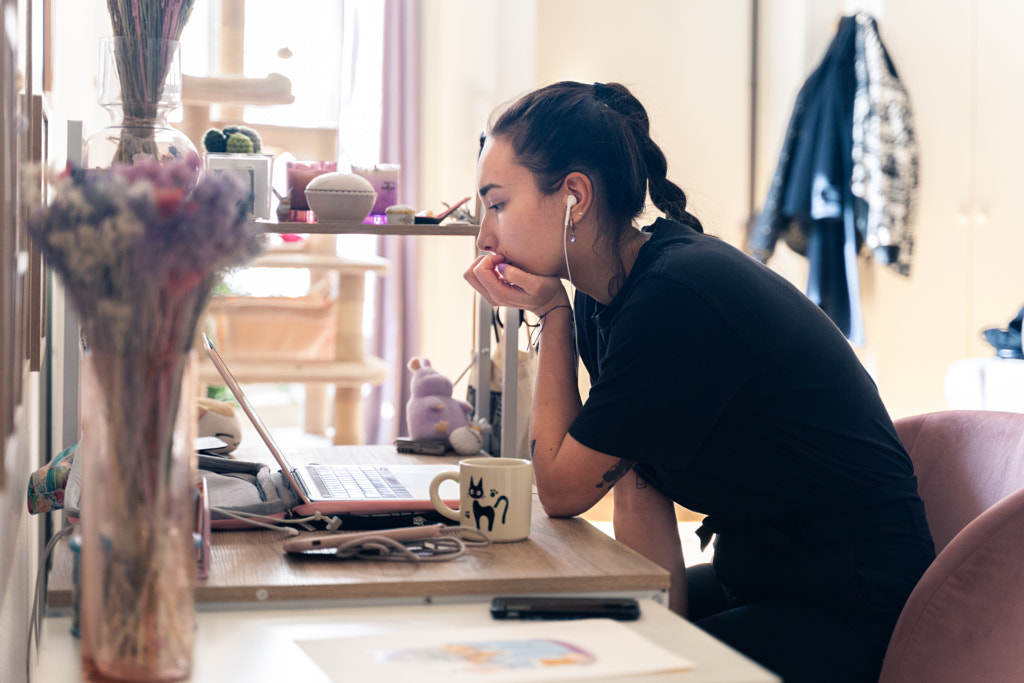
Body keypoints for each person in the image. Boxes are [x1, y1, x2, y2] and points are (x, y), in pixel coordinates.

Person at [464, 81, 935, 683]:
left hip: (850, 599)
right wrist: (659, 638)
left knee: (596, 669)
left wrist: (551, 317)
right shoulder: (609, 295)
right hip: (766, 574)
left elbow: (560, 489)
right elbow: (634, 478)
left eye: (497, 204)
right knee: (570, 640)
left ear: (574, 195)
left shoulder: (674, 297)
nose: (484, 236)